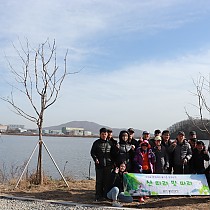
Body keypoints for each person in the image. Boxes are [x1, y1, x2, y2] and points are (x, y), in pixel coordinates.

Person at [90, 127, 114, 201]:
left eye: (105, 134)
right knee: (99, 181)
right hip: (99, 165)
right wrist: (95, 159)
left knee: (107, 181)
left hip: (108, 165)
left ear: (107, 135)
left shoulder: (110, 143)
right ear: (100, 134)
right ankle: (98, 195)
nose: (104, 135)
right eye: (102, 134)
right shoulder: (96, 143)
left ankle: (106, 195)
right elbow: (92, 152)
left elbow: (113, 154)